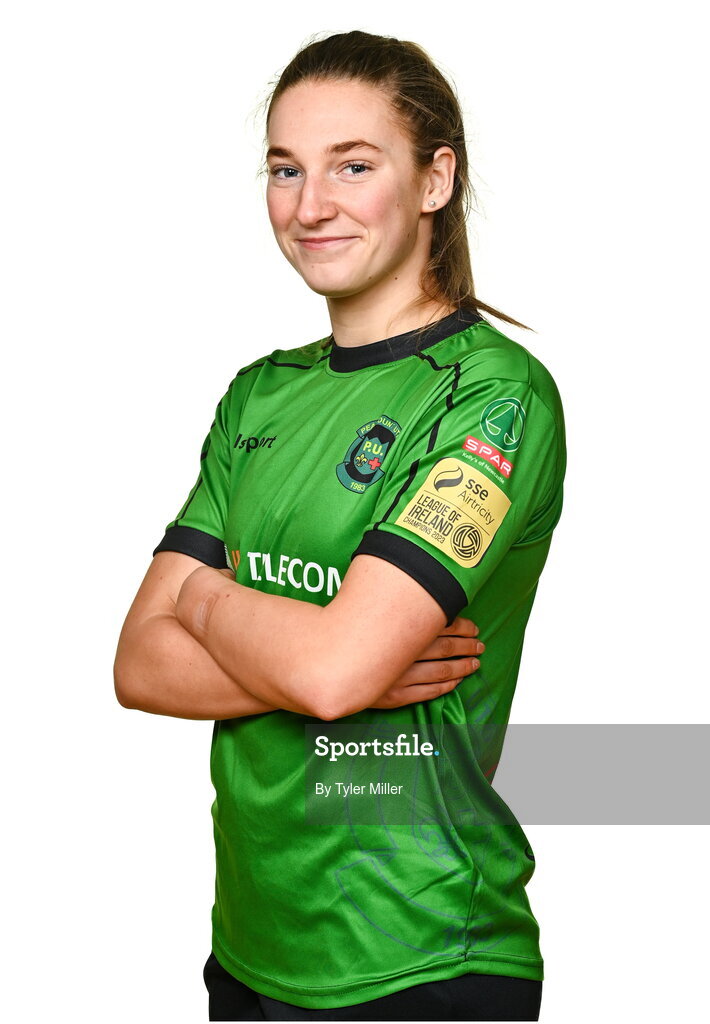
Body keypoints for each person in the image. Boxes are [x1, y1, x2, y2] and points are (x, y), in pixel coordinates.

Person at [114, 29, 565, 1023]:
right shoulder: (257, 398)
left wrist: (203, 597)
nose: (308, 205)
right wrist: (325, 656)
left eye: (351, 166)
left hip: (420, 957)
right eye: (285, 169)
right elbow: (139, 668)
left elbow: (329, 675)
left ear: (433, 179)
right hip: (250, 944)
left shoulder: (492, 398)